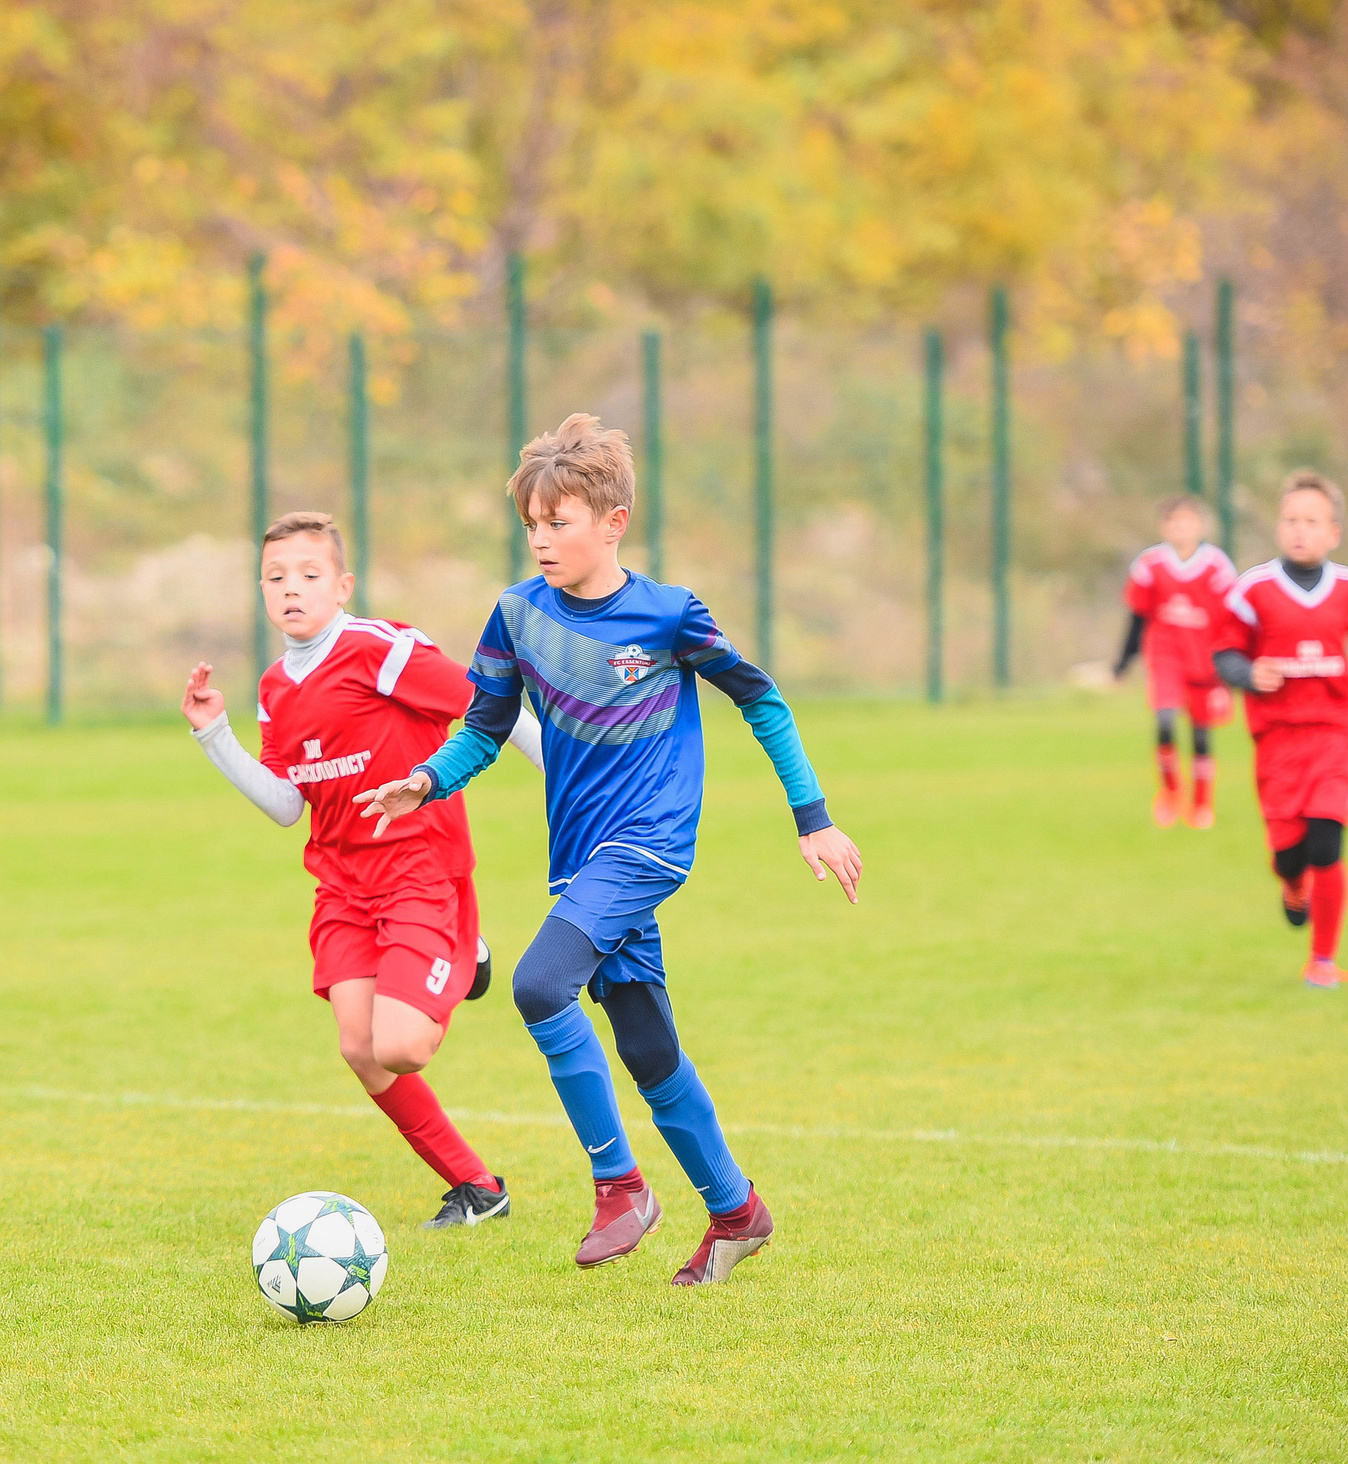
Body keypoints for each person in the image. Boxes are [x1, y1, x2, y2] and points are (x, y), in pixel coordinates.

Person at [354, 415, 863, 1286]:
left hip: (652, 844)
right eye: (532, 524)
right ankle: (736, 1210)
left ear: (613, 519)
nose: (543, 538)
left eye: (560, 521)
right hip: (582, 857)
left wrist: (811, 815)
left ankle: (620, 1185)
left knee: (539, 983)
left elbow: (762, 700)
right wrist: (429, 780)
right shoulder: (516, 614)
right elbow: (484, 728)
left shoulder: (669, 614)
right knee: (646, 1044)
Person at [183, 511, 545, 1229]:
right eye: (276, 577)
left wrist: (567, 789)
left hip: (419, 866)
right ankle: (477, 1187)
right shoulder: (274, 686)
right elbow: (289, 805)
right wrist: (214, 735)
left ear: (342, 585)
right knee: (360, 1047)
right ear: (261, 591)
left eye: (309, 575)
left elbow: (491, 709)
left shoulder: (381, 649)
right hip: (343, 883)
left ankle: (465, 954)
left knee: (402, 1045)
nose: (292, 590)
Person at [1212, 471, 1348, 989]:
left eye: (1311, 521)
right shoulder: (1254, 588)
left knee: (1326, 844)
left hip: (1334, 735)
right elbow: (1224, 652)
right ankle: (1294, 887)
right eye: (1291, 520)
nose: (1300, 530)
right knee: (1290, 855)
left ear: (1333, 532)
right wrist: (1248, 674)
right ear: (1278, 527)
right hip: (1276, 741)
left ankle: (1323, 961)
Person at [1114, 495, 1239, 827]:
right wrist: (1123, 662)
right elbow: (1138, 617)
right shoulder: (1149, 565)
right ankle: (1170, 793)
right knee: (1166, 722)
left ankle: (1201, 802)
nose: (1180, 529)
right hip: (1165, 657)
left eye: (1187, 521)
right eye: (1173, 522)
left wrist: (1234, 665)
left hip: (1205, 663)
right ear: (1163, 527)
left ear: (1200, 525)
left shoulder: (1218, 567)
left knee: (1201, 736)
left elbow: (1232, 621)